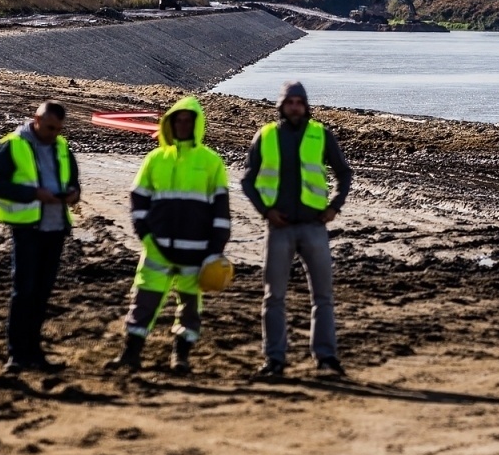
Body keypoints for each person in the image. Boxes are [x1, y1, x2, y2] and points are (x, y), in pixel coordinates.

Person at [107, 96, 230, 375]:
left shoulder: (211, 162)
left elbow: (221, 211)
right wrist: (146, 236)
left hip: (196, 251)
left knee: (189, 307)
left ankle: (181, 358)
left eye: (189, 120)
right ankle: (130, 354)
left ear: (197, 124)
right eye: (179, 120)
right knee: (144, 300)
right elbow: (138, 199)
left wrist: (214, 249)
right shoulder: (155, 159)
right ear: (170, 123)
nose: (183, 124)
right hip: (157, 248)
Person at [241, 81, 352, 378]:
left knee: (323, 297)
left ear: (306, 105)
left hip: (314, 226)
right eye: (289, 102)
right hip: (279, 229)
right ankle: (274, 360)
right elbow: (247, 181)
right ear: (281, 105)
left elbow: (344, 173)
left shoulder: (321, 135)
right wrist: (266, 211)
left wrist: (334, 207)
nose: (294, 107)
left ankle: (326, 359)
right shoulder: (265, 136)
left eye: (299, 102)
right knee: (274, 297)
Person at [0, 101, 81, 374]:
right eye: (50, 127)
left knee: (41, 295)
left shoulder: (62, 147)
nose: (54, 133)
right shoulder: (13, 145)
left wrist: (74, 194)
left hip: (55, 229)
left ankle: (34, 352)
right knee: (24, 292)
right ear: (36, 119)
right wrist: (34, 194)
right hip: (27, 228)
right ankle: (17, 354)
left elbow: (73, 182)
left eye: (58, 129)